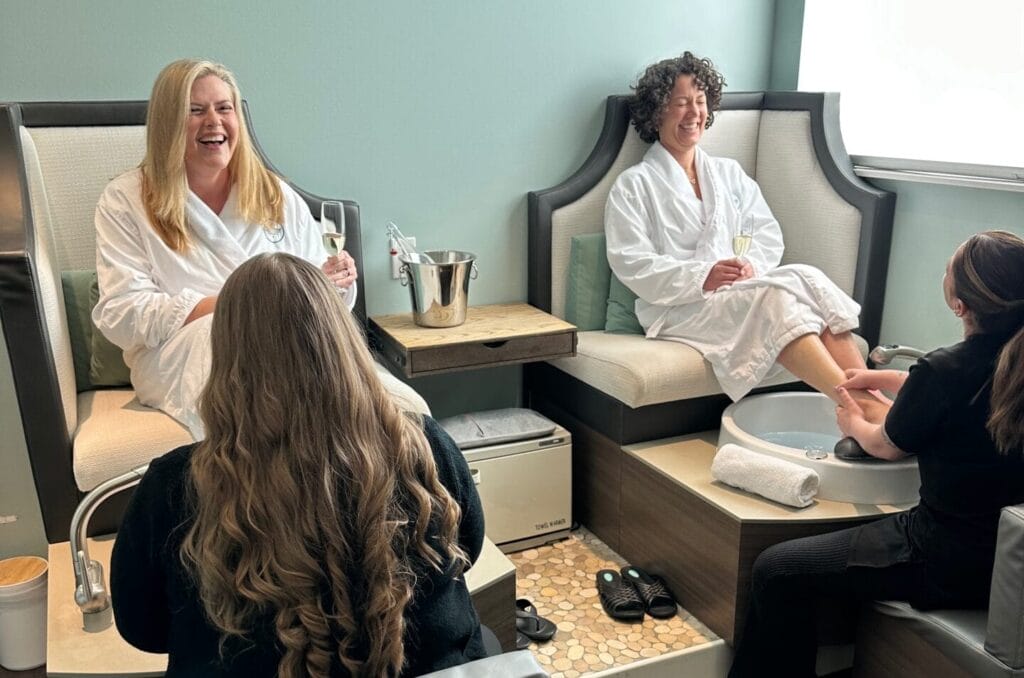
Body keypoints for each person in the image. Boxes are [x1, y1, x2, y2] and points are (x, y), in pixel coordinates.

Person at [110, 252, 486, 677]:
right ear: (342, 340)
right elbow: (467, 548)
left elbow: (142, 628)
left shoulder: (173, 486)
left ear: (228, 355)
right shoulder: (424, 443)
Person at [729, 230, 1024, 676]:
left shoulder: (943, 371)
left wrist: (852, 423)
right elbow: (978, 401)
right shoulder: (999, 366)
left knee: (777, 570)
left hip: (945, 559)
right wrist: (901, 382)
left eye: (948, 270)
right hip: (1001, 562)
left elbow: (884, 445)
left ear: (958, 305)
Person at [92, 58, 426, 438]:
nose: (213, 122)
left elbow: (315, 298)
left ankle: (360, 453)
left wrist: (332, 282)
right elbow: (121, 314)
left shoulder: (273, 194)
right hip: (181, 353)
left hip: (293, 346)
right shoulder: (126, 201)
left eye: (224, 108)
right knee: (239, 343)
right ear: (169, 123)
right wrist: (240, 303)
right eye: (195, 110)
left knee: (389, 405)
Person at [605, 52, 884, 418]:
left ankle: (871, 396)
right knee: (774, 300)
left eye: (701, 102)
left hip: (740, 290)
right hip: (678, 309)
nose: (694, 114)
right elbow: (631, 262)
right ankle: (858, 406)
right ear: (657, 112)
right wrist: (703, 276)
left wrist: (749, 266)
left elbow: (767, 234)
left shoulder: (729, 174)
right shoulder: (633, 186)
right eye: (681, 103)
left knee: (807, 276)